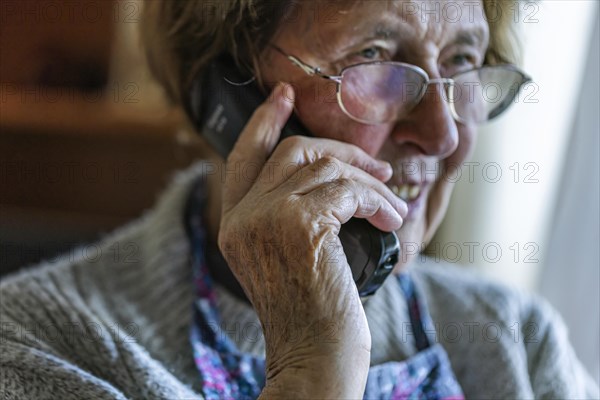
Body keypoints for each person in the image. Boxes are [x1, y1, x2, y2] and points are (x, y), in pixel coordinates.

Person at [1, 0, 598, 398]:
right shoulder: (35, 344)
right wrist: (313, 366)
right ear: (227, 91)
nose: (442, 133)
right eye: (375, 57)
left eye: (464, 62)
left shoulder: (516, 341)